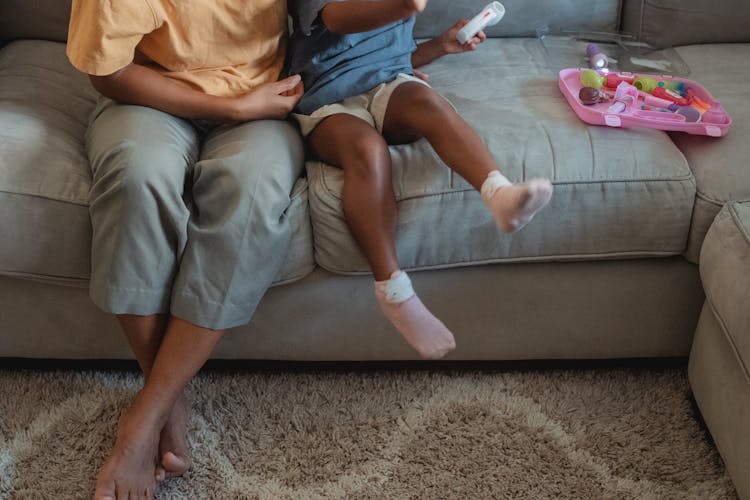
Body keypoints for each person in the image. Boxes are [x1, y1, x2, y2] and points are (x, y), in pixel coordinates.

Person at [66, 1, 304, 498]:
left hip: (264, 95)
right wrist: (231, 108)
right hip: (149, 94)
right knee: (135, 180)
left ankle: (146, 414)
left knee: (252, 193)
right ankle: (166, 402)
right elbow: (108, 73)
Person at [286, 0, 553, 360]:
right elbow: (338, 20)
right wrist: (405, 5)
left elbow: (386, 53)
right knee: (367, 150)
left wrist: (440, 46)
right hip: (324, 100)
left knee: (428, 102)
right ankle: (394, 292)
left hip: (387, 81)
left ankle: (499, 194)